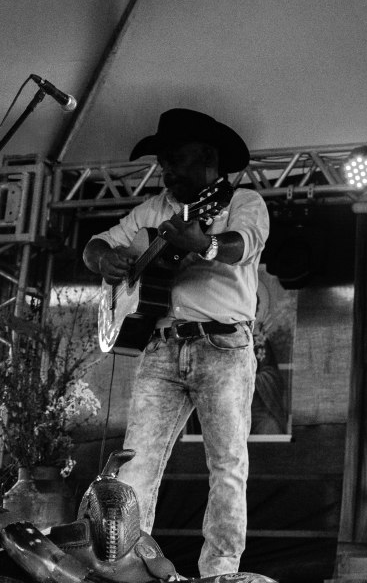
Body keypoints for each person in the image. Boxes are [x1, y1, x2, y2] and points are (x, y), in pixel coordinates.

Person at [82, 108, 269, 577]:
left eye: (175, 159)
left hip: (224, 346)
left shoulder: (243, 201)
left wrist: (204, 244)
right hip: (161, 347)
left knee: (227, 466)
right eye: (162, 161)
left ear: (207, 158)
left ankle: (220, 571)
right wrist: (105, 261)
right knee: (135, 464)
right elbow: (95, 244)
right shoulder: (153, 208)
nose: (165, 170)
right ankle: (126, 566)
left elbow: (242, 244)